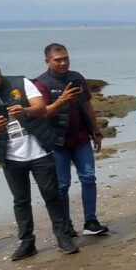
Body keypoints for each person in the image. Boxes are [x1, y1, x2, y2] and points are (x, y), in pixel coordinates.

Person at [0, 55, 78, 259]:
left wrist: (25, 110)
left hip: (39, 150)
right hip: (10, 156)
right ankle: (27, 242)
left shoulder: (21, 83)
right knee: (21, 201)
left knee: (52, 196)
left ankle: (63, 237)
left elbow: (40, 107)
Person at [34, 43, 109, 236]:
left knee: (88, 177)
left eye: (66, 58)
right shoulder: (41, 84)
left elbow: (88, 106)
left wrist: (96, 132)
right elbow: (41, 114)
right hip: (57, 142)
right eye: (58, 60)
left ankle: (91, 221)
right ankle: (65, 225)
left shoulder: (77, 78)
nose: (63, 63)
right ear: (47, 61)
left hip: (81, 138)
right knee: (61, 185)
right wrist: (61, 100)